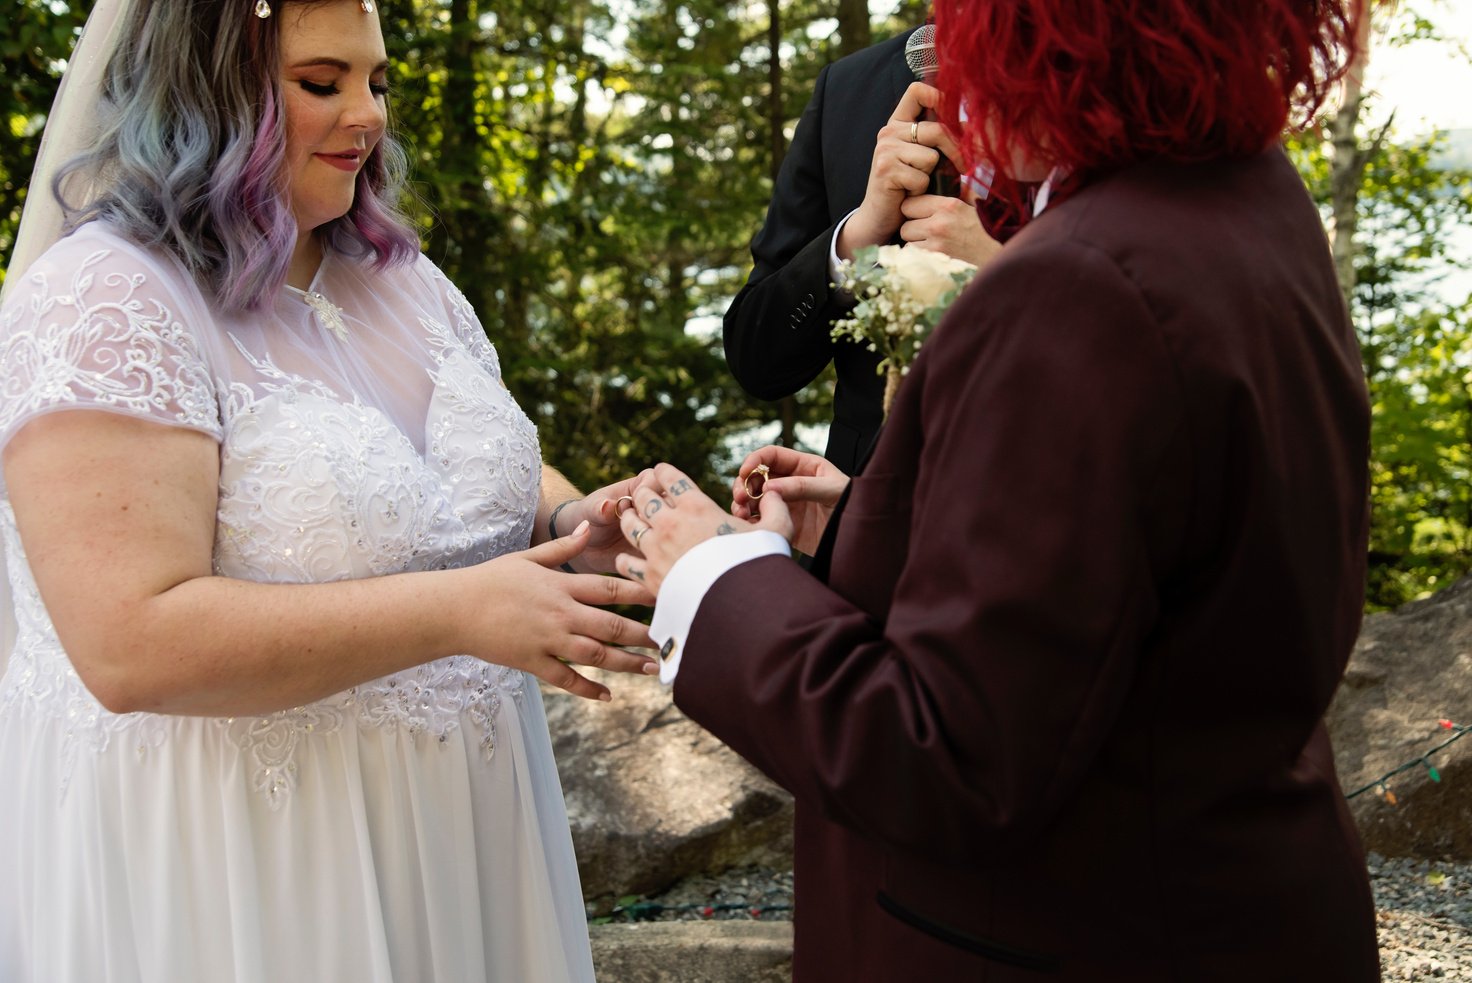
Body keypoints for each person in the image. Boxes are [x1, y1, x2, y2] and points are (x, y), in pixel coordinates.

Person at [615, 1, 1382, 979]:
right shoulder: (1252, 197)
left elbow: (945, 757)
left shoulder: (1080, 281)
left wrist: (715, 576)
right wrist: (873, 515)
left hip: (1076, 931)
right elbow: (1140, 563)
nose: (959, 94)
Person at [0, 0, 657, 979]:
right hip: (247, 867)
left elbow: (452, 474)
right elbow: (128, 643)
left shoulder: (404, 281)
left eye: (375, 82)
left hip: (465, 839)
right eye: (321, 83)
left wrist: (572, 522)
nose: (367, 115)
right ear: (208, 92)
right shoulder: (106, 298)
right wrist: (462, 607)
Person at [722, 26, 999, 475]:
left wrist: (1002, 266)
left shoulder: (1102, 80)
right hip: (862, 506)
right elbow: (756, 359)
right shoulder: (847, 88)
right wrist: (858, 237)